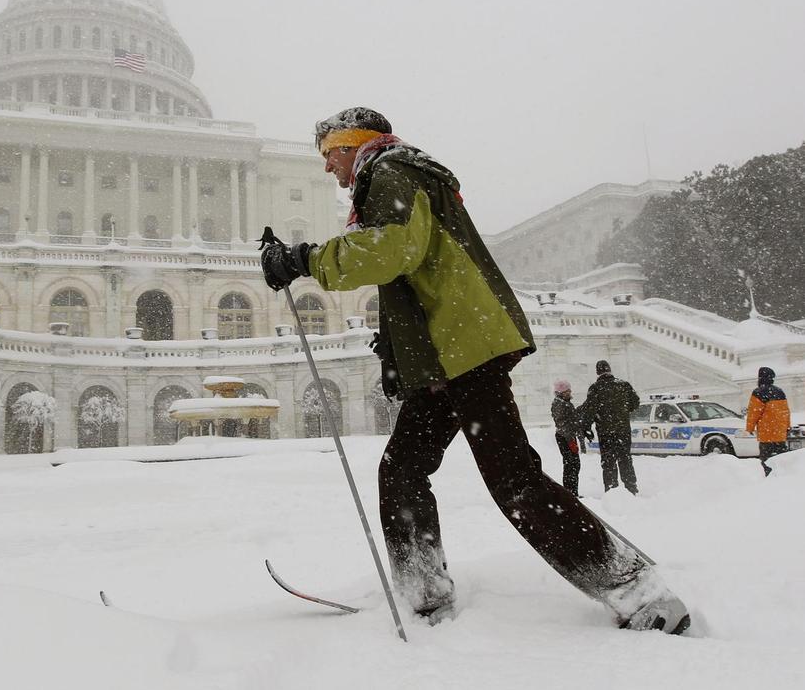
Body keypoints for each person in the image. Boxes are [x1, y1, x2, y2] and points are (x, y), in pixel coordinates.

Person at [259, 106, 689, 633]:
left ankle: (637, 591)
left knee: (513, 481)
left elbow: (392, 251)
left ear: (354, 145)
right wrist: (397, 351)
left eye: (329, 154)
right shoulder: (398, 175)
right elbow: (419, 273)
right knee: (403, 470)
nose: (328, 168)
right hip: (447, 355)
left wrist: (304, 259)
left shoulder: (391, 172)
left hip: (465, 351)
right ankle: (424, 595)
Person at [577, 360, 640, 494]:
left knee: (608, 461)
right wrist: (622, 411)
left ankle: (612, 489)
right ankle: (631, 487)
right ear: (609, 369)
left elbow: (590, 410)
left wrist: (586, 427)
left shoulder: (595, 388)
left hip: (605, 431)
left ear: (597, 372)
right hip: (623, 430)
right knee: (625, 458)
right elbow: (635, 402)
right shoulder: (623, 385)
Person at [746, 366, 791, 476]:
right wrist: (787, 427)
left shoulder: (758, 392)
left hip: (767, 435)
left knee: (766, 461)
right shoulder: (780, 392)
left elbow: (753, 412)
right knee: (781, 460)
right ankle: (783, 479)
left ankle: (769, 481)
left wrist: (750, 428)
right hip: (780, 434)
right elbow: (786, 412)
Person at [550, 380, 590, 496]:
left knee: (573, 465)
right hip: (565, 438)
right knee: (571, 465)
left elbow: (572, 419)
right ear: (560, 392)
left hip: (568, 437)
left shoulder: (565, 403)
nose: (570, 392)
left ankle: (572, 492)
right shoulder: (559, 404)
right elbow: (563, 424)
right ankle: (570, 493)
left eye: (569, 390)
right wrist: (570, 440)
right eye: (567, 391)